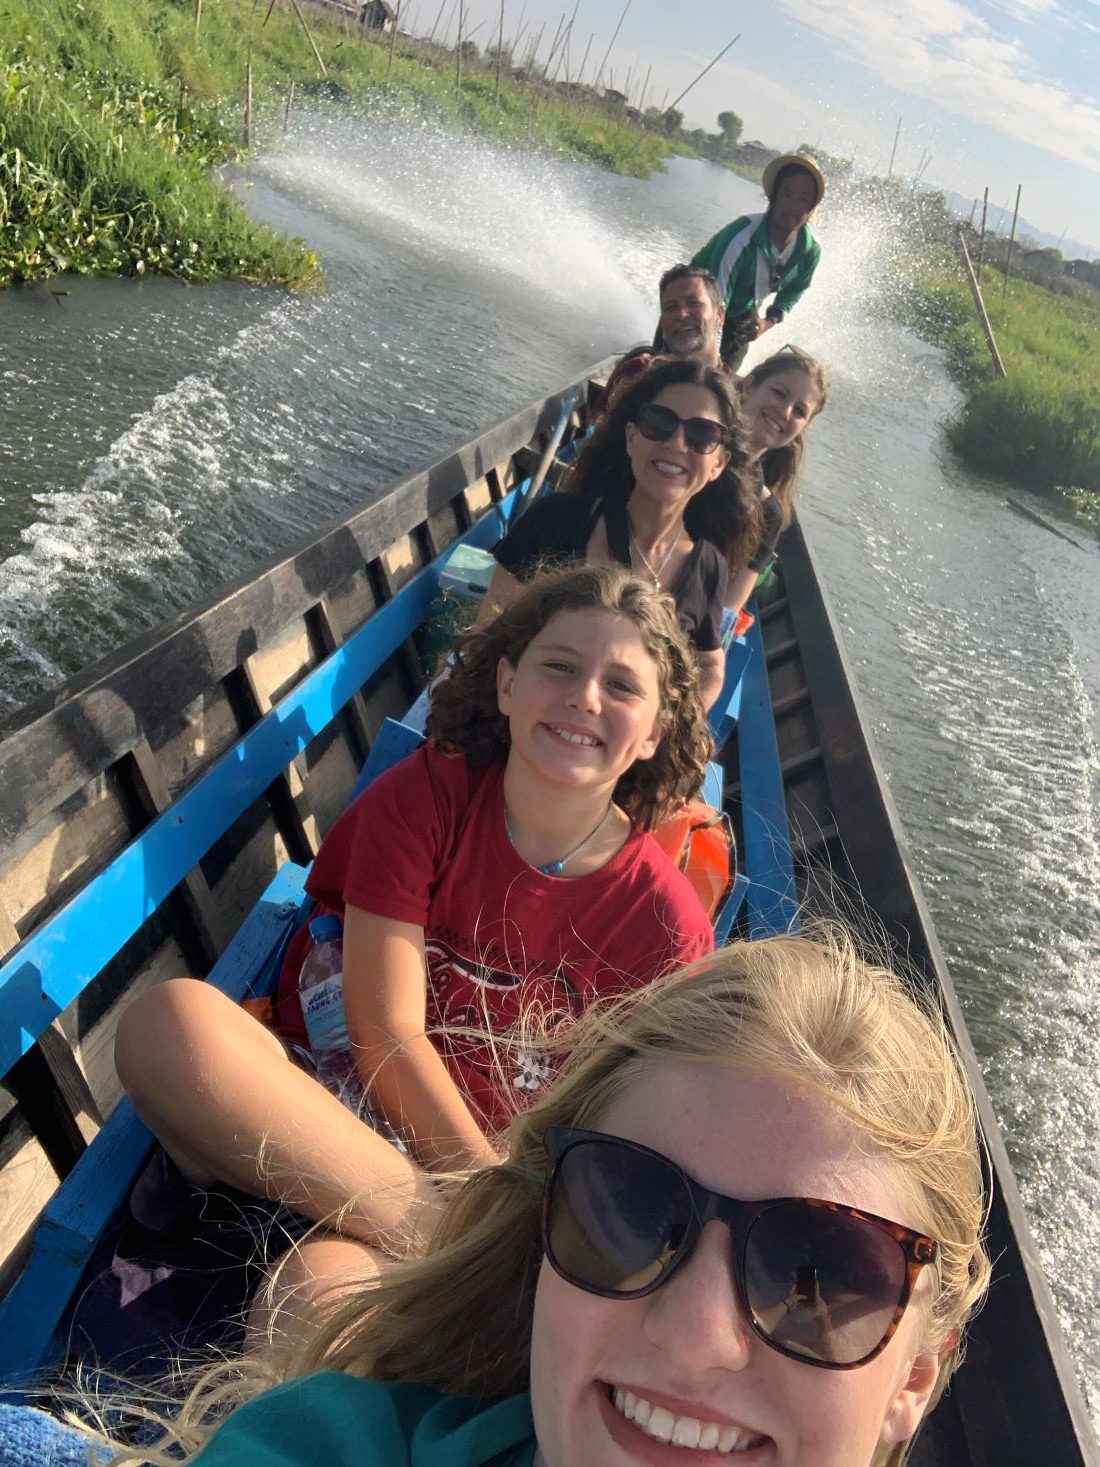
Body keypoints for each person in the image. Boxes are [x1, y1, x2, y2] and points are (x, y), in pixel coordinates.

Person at [21, 928, 988, 1466]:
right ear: (544, 1223)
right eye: (626, 1207)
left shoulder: (651, 899)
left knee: (322, 1276)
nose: (695, 1333)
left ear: (913, 1378)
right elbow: (379, 1018)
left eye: (813, 1278)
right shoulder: (332, 1445)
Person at [114, 564, 715, 1308]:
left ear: (655, 732)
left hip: (460, 1179)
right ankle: (469, 1261)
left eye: (622, 686)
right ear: (506, 686)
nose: (584, 696)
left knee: (314, 1296)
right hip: (346, 1114)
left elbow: (631, 1132)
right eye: (557, 665)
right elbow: (386, 1033)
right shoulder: (428, 797)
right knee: (169, 1024)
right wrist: (473, 1223)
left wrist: (492, 1196)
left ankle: (250, 1186)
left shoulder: (664, 925)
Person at [481, 359, 761, 709]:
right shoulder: (556, 520)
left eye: (702, 435)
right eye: (659, 423)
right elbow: (488, 630)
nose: (676, 443)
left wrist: (676, 729)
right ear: (632, 437)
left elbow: (710, 664)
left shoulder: (708, 568)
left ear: (719, 463)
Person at [693, 153, 826, 370]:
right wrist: (711, 359)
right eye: (787, 194)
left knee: (724, 386)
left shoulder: (809, 251)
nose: (792, 205)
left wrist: (767, 323)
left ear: (810, 208)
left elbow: (795, 289)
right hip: (696, 304)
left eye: (803, 199)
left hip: (739, 318)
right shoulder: (741, 235)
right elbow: (716, 297)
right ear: (774, 197)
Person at [726, 345, 829, 613]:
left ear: (803, 428)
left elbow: (726, 610)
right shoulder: (686, 444)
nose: (784, 412)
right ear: (748, 386)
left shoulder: (767, 514)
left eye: (799, 412)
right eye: (779, 394)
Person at [594, 263, 726, 415]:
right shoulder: (637, 374)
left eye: (693, 303)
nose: (681, 314)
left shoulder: (736, 392)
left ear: (720, 316)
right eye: (670, 307)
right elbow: (598, 433)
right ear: (662, 322)